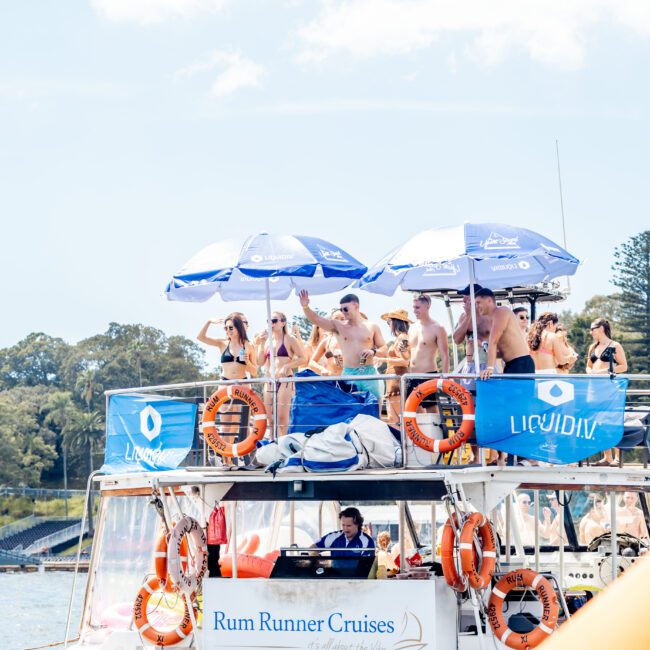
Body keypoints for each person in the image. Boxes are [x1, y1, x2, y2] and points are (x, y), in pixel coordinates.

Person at [298, 291, 387, 405]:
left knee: (374, 408)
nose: (343, 313)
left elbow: (384, 349)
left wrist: (373, 351)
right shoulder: (339, 326)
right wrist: (305, 306)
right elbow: (316, 319)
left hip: (369, 372)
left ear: (356, 306)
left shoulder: (372, 326)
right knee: (349, 412)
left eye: (345, 309)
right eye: (341, 309)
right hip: (349, 374)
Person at [453, 286, 499, 463]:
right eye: (463, 299)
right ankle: (475, 454)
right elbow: (456, 339)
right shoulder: (464, 317)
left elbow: (497, 340)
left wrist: (482, 343)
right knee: (469, 408)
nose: (464, 302)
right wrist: (469, 316)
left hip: (488, 365)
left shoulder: (490, 316)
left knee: (490, 409)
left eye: (467, 298)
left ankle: (494, 454)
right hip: (470, 366)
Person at [256, 311, 307, 437]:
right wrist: (261, 344)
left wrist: (287, 365)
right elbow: (260, 362)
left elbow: (303, 358)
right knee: (270, 420)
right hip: (269, 381)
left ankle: (283, 448)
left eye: (274, 321)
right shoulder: (267, 341)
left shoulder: (289, 339)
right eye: (268, 321)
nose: (271, 324)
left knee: (282, 419)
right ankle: (273, 445)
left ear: (283, 323)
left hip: (285, 381)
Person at [587, 318, 628, 466]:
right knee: (599, 423)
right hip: (594, 389)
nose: (591, 331)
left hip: (609, 388)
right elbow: (588, 365)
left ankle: (617, 457)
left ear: (602, 328)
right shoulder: (593, 347)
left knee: (612, 421)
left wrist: (604, 371)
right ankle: (607, 457)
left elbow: (623, 366)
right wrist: (590, 372)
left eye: (593, 328)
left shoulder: (615, 345)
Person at [476, 289, 534, 379]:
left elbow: (493, 341)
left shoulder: (501, 311)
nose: (477, 306)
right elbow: (502, 352)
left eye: (478, 302)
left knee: (514, 393)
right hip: (514, 364)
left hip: (520, 363)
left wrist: (490, 368)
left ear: (489, 301)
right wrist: (485, 346)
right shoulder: (495, 319)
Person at [404, 294, 450, 409]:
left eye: (417, 307)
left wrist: (444, 378)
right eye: (413, 307)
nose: (414, 311)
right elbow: (408, 354)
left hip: (428, 376)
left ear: (428, 306)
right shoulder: (412, 327)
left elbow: (445, 356)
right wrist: (403, 350)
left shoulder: (438, 328)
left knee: (431, 414)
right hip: (411, 376)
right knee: (410, 412)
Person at [375, 309, 411, 425]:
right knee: (392, 419)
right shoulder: (401, 337)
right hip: (393, 382)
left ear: (395, 322)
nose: (388, 325)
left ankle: (404, 443)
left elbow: (405, 362)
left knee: (398, 419)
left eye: (388, 322)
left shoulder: (403, 338)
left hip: (397, 382)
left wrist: (382, 359)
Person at [197, 313, 257, 380]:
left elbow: (254, 373)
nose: (228, 330)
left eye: (231, 327)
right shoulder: (222, 343)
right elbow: (200, 337)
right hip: (225, 382)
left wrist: (247, 362)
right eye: (226, 328)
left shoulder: (249, 345)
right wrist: (209, 321)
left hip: (242, 383)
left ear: (238, 327)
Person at [308, 310, 346, 376]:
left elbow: (362, 362)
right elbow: (312, 362)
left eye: (342, 319)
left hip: (349, 382)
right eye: (336, 318)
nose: (339, 321)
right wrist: (322, 369)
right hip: (331, 382)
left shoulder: (354, 340)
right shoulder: (326, 341)